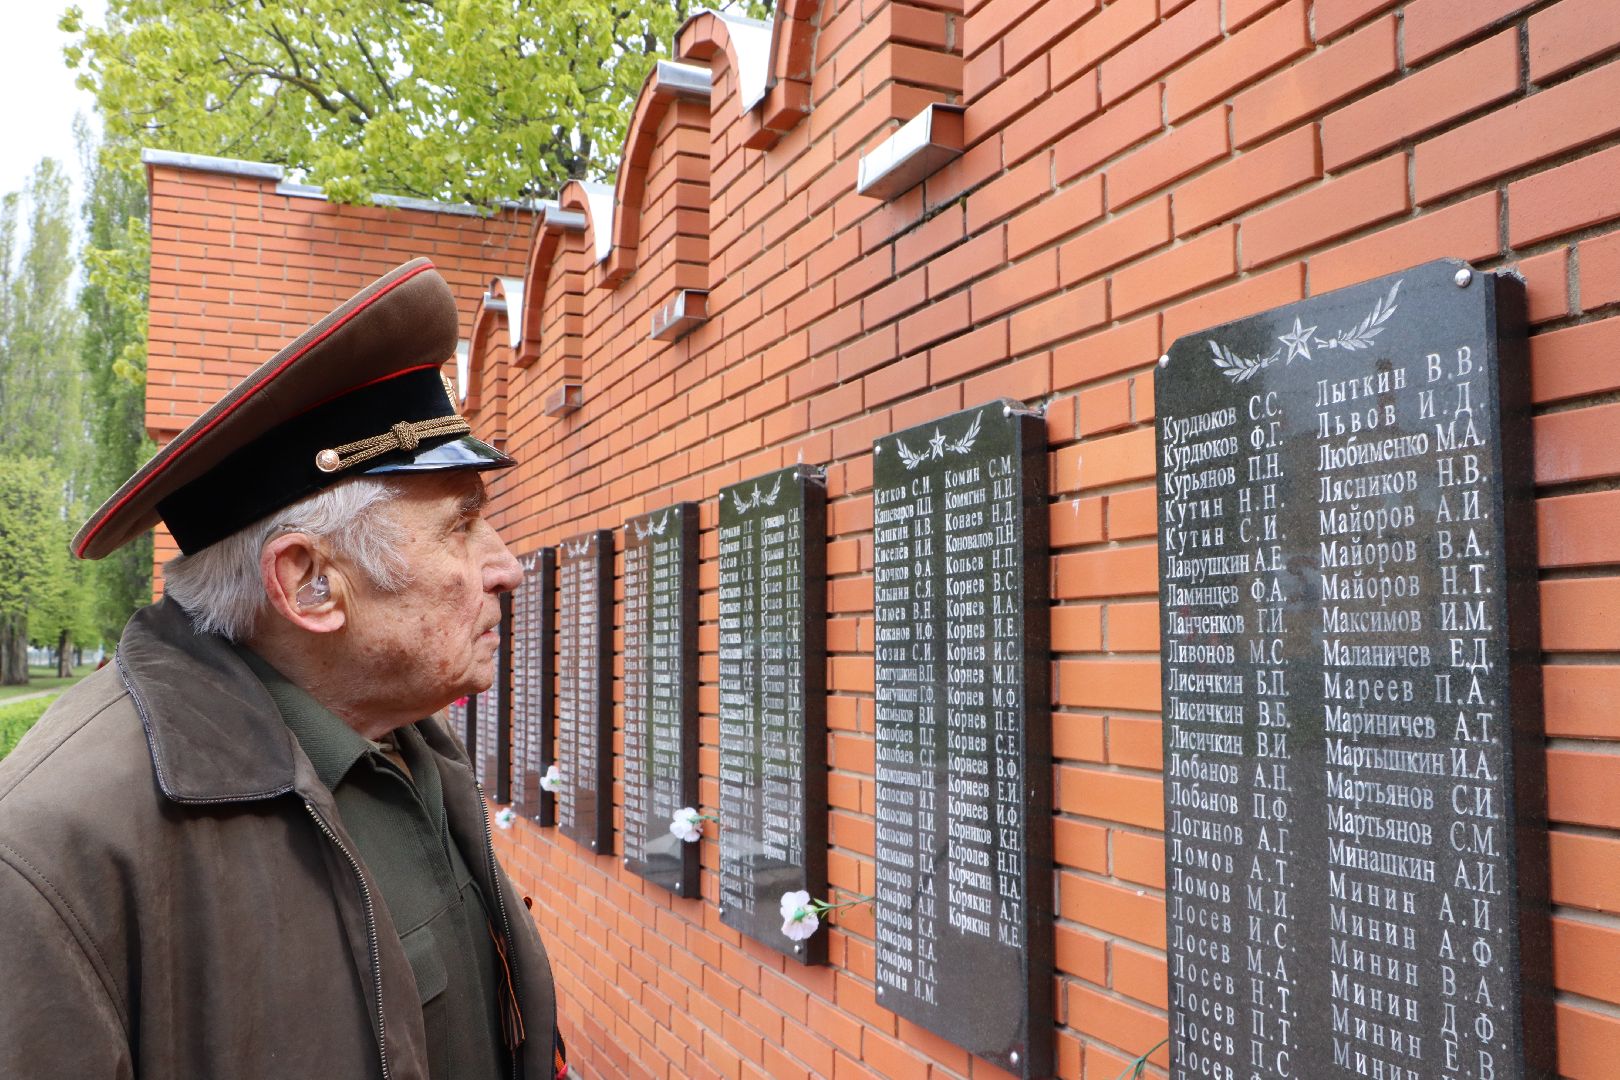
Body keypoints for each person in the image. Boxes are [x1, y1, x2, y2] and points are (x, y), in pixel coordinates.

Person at [0, 259, 564, 1079]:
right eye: (461, 526)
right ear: (308, 583)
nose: (506, 567)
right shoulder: (56, 853)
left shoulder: (395, 732)